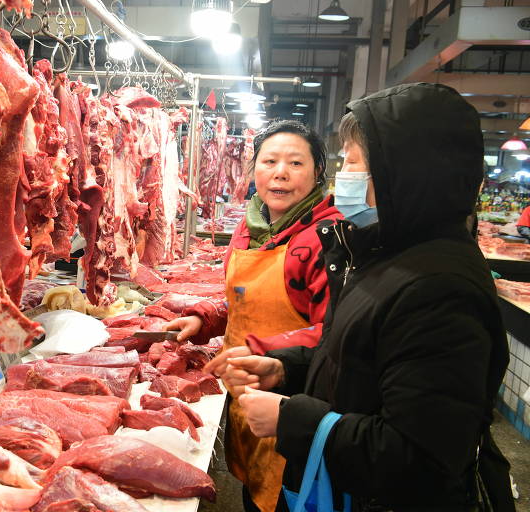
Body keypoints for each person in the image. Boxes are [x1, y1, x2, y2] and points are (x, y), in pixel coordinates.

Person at [217, 83, 512, 511]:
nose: (345, 179)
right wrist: (286, 368)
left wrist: (294, 419)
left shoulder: (440, 290)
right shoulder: (384, 256)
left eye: (354, 164)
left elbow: (419, 459)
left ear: (403, 177)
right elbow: (355, 356)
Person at [165, 120, 342, 512]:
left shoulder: (326, 237)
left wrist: (262, 351)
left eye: (296, 163)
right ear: (254, 169)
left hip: (295, 401)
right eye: (270, 161)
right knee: (251, 492)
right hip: (244, 392)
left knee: (285, 498)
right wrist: (206, 319)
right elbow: (243, 300)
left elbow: (336, 334)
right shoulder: (250, 227)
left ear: (317, 175)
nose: (280, 173)